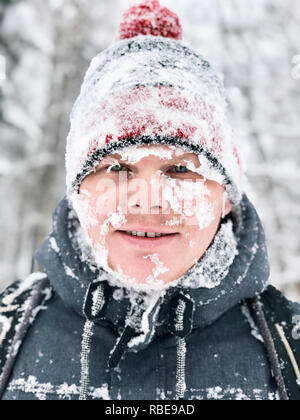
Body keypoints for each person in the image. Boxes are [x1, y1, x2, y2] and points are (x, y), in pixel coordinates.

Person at [0, 0, 299, 401]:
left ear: (226, 195)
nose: (147, 201)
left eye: (180, 170)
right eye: (116, 168)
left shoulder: (290, 345)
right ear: (78, 191)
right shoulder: (7, 329)